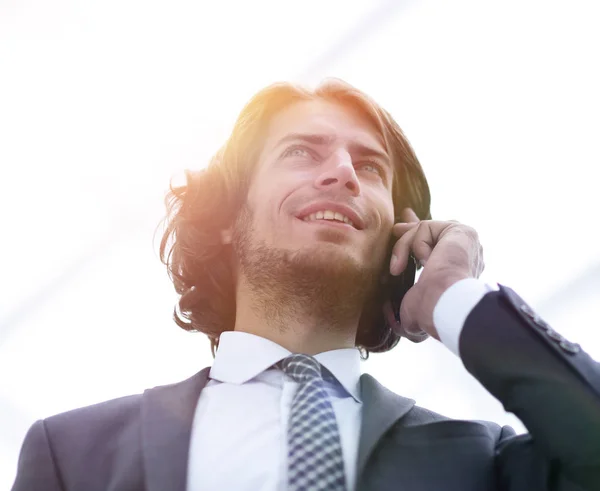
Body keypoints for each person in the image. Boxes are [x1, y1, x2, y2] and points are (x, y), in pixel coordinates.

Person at [11, 79, 600, 491]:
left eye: (370, 168)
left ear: (399, 236)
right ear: (225, 220)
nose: (344, 172)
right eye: (301, 152)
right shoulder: (71, 453)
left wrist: (454, 294)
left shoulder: (485, 462)